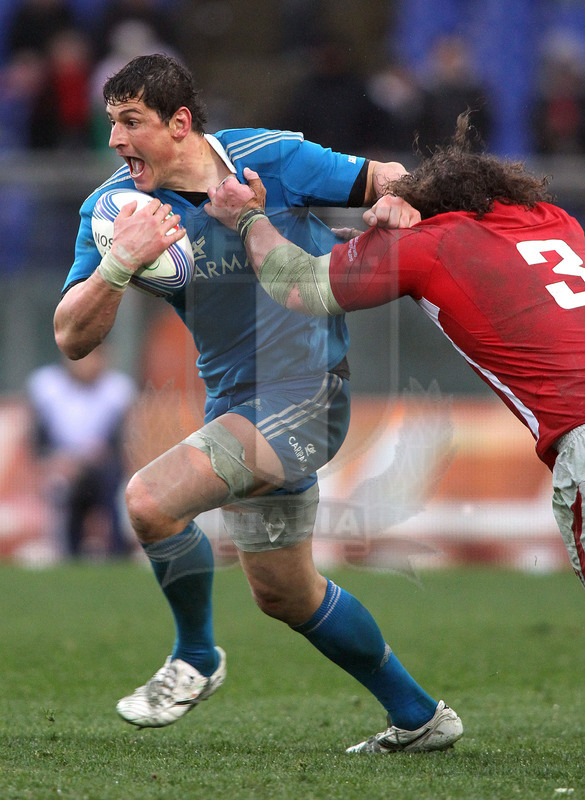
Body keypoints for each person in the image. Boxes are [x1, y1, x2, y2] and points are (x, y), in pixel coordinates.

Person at [53, 53, 462, 753]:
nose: (116, 139)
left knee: (149, 501)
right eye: (111, 122)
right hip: (235, 404)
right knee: (285, 594)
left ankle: (195, 656)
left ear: (179, 123)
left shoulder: (268, 158)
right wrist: (120, 265)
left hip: (308, 395)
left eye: (131, 121)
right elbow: (70, 336)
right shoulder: (114, 211)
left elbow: (383, 176)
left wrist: (399, 198)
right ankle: (420, 717)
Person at [206, 112, 585, 748]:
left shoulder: (428, 244)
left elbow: (298, 286)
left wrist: (248, 219)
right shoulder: (556, 221)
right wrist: (374, 233)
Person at [26, 347, 136, 558]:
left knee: (113, 485)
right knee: (62, 490)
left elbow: (120, 441)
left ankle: (117, 549)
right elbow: (38, 440)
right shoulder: (46, 386)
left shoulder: (117, 390)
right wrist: (54, 461)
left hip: (101, 466)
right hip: (61, 467)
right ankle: (68, 551)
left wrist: (93, 456)